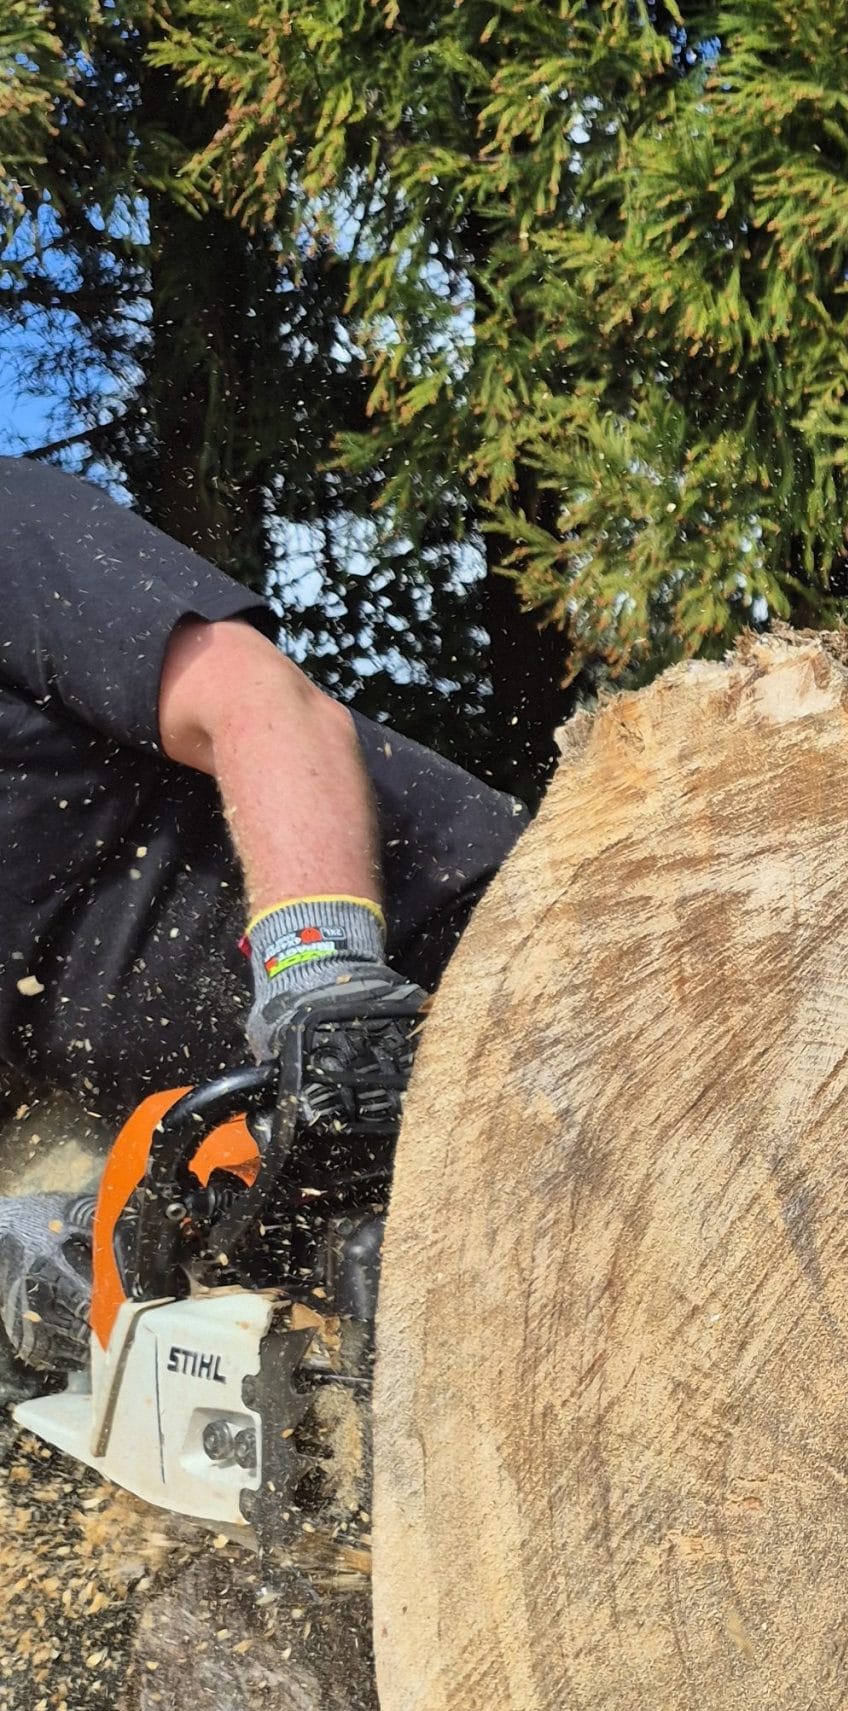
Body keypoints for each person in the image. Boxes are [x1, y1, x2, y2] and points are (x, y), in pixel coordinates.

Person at [0, 457, 530, 1372]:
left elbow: (256, 700)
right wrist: (28, 1233)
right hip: (236, 1166)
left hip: (478, 970)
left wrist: (324, 981)